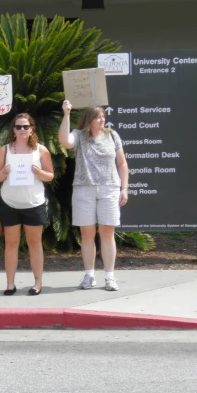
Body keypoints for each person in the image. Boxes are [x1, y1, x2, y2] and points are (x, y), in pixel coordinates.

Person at [59, 100, 129, 291]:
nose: (102, 120)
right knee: (87, 234)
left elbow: (122, 164)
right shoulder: (79, 135)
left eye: (103, 117)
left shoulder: (112, 136)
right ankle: (89, 275)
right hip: (84, 188)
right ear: (89, 119)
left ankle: (109, 276)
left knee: (107, 233)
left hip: (109, 188)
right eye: (98, 117)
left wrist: (124, 188)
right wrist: (66, 113)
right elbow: (65, 141)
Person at [0, 113, 54, 295]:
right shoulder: (4, 150)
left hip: (34, 203)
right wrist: (3, 172)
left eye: (26, 126)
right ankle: (10, 284)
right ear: (13, 129)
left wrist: (39, 173)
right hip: (10, 203)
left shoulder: (41, 151)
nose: (22, 130)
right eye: (18, 127)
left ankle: (37, 283)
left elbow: (50, 176)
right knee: (11, 244)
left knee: (35, 244)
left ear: (32, 128)